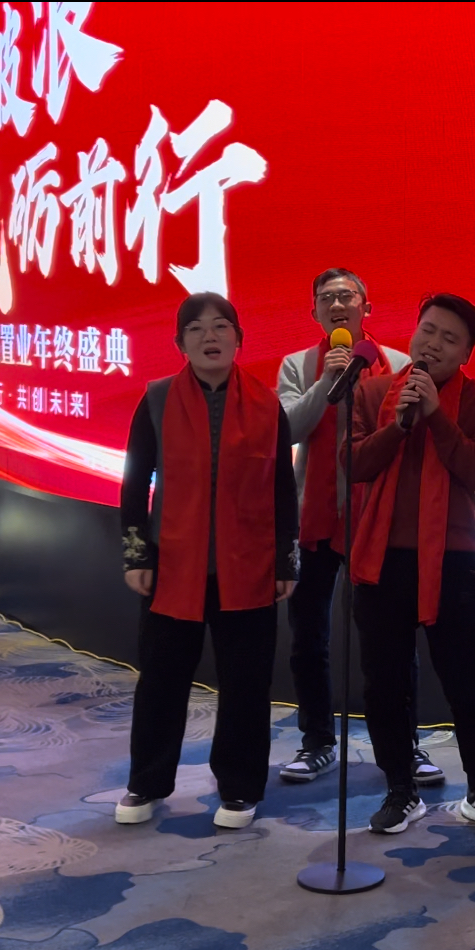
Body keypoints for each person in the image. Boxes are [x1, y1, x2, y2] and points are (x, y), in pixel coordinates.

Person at [117, 293, 298, 830]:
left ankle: (240, 788)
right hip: (173, 565)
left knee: (246, 683)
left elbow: (282, 489)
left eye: (221, 326)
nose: (209, 337)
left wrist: (286, 562)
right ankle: (147, 782)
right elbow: (135, 481)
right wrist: (136, 553)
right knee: (161, 680)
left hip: (248, 567)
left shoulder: (267, 405)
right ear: (180, 343)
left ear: (239, 339)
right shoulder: (156, 399)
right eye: (195, 329)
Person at [347, 293, 475, 836]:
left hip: (452, 557)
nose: (434, 344)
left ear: (466, 352)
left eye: (449, 338)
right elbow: (353, 464)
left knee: (468, 683)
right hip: (381, 558)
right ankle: (401, 790)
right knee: (385, 684)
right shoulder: (372, 391)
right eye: (428, 331)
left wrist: (436, 415)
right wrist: (399, 424)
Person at [274, 270, 444, 788]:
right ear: (314, 313)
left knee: (390, 640)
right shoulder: (298, 365)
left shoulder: (394, 361)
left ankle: (404, 744)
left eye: (346, 295)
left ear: (366, 307)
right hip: (314, 518)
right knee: (309, 637)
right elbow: (288, 429)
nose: (336, 304)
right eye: (325, 298)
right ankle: (317, 741)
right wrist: (327, 382)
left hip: (377, 519)